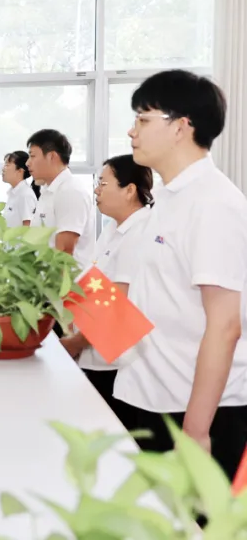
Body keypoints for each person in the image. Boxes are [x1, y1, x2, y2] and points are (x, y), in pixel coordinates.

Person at [114, 70, 247, 481]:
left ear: (180, 127)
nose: (132, 131)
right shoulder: (170, 199)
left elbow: (225, 326)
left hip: (197, 412)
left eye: (143, 119)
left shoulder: (213, 204)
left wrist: (196, 430)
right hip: (154, 395)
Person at [60, 155, 152, 429]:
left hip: (119, 365)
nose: (96, 190)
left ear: (129, 190)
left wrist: (75, 343)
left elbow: (118, 303)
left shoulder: (141, 232)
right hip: (94, 354)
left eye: (103, 183)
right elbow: (93, 284)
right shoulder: (113, 228)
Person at [26, 129, 96, 266]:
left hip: (66, 278)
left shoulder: (70, 192)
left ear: (52, 156)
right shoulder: (48, 191)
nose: (28, 163)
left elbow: (64, 251)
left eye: (32, 156)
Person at [1, 151, 40, 228]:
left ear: (20, 171)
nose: (3, 169)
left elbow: (28, 229)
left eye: (7, 165)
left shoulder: (25, 195)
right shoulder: (13, 193)